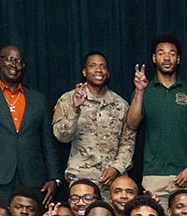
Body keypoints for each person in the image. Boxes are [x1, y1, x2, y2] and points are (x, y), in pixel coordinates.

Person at [0, 46, 61, 204]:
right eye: (10, 59)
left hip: (32, 175)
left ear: (23, 67)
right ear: (0, 62)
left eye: (19, 61)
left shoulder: (38, 99)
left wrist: (54, 177)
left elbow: (48, 141)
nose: (14, 64)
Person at [126, 34, 187, 205]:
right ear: (154, 58)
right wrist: (140, 90)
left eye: (172, 53)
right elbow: (132, 124)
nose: (167, 57)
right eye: (161, 53)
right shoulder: (144, 92)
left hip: (186, 174)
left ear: (178, 59)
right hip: (154, 175)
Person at [53, 51, 136, 187]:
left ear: (108, 73)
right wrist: (75, 109)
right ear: (84, 72)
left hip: (113, 181)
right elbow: (62, 137)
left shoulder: (121, 104)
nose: (99, 70)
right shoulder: (68, 99)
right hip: (82, 180)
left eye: (103, 67)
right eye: (93, 66)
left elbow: (128, 142)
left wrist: (117, 168)